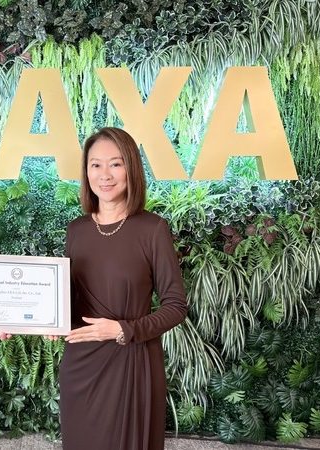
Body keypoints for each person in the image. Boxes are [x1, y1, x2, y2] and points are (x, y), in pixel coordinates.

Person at [58, 127, 188, 450]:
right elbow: (70, 302)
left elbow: (175, 306)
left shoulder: (153, 229)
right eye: (96, 165)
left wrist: (124, 329)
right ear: (86, 171)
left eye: (116, 164)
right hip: (81, 366)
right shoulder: (76, 230)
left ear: (132, 169)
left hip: (131, 360)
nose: (105, 175)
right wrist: (52, 321)